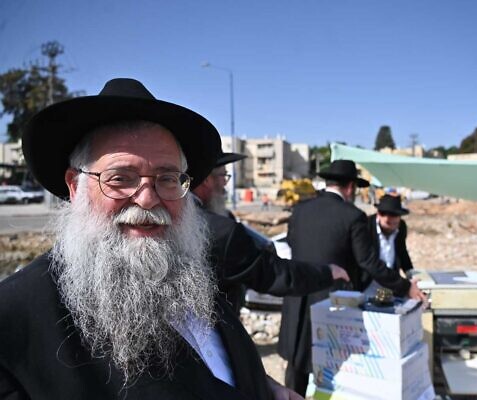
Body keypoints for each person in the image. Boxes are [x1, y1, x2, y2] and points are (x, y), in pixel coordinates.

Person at [0, 78, 274, 399]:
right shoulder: (12, 320)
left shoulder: (189, 273)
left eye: (167, 178)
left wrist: (263, 386)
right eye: (120, 178)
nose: (147, 199)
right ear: (75, 187)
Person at [277, 159, 426, 396]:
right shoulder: (353, 216)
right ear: (349, 188)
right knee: (334, 371)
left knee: (297, 368)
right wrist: (405, 286)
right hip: (332, 303)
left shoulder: (300, 210)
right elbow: (368, 261)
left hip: (297, 299)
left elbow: (293, 245)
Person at [191, 154, 350, 315]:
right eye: (223, 176)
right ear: (206, 179)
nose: (225, 185)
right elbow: (273, 274)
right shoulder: (223, 230)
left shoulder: (179, 220)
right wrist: (327, 272)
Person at [363, 194, 414, 296]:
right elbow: (365, 259)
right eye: (385, 215)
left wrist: (410, 274)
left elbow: (402, 251)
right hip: (368, 282)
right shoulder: (366, 226)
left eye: (394, 216)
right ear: (379, 214)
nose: (389, 221)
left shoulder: (401, 227)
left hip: (391, 282)